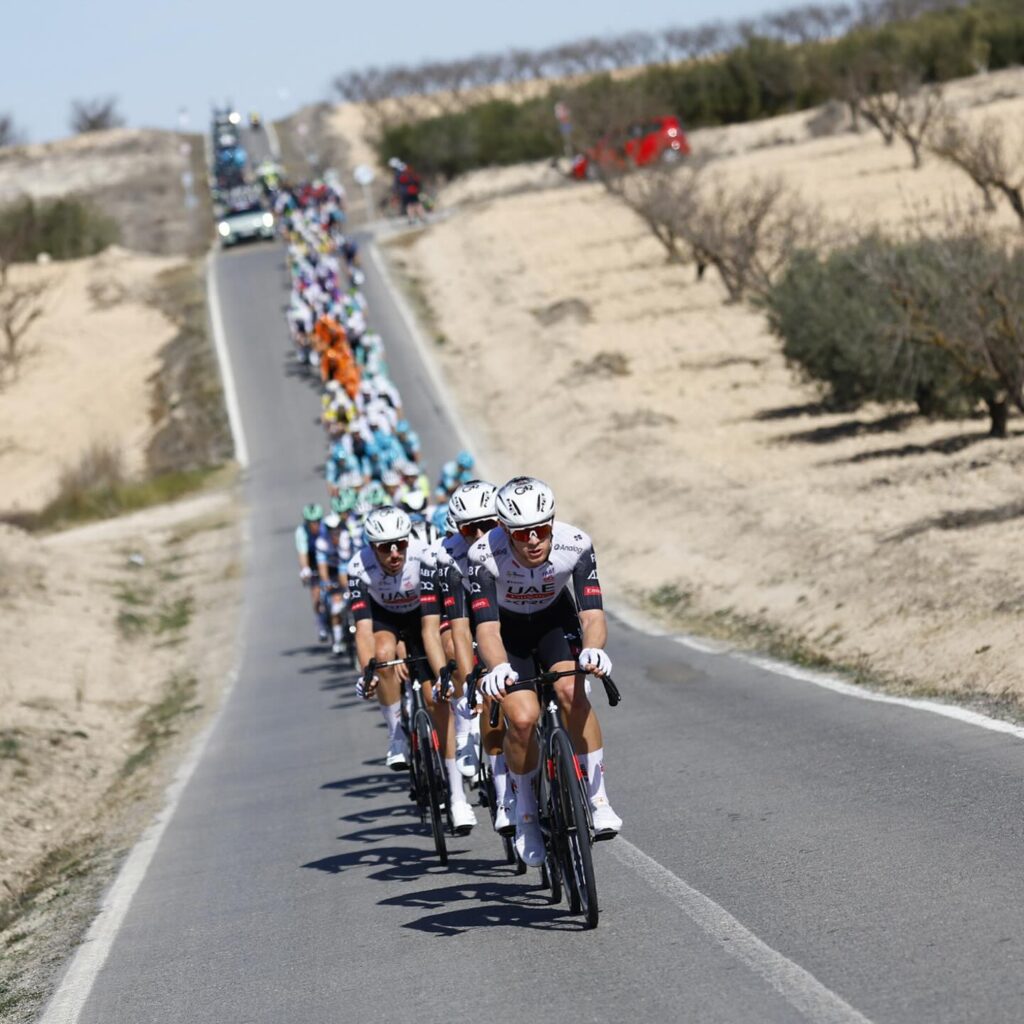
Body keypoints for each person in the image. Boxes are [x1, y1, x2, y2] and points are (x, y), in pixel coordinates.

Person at [468, 476, 621, 866]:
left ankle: (598, 798)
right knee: (521, 718)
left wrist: (593, 651)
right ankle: (527, 817)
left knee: (572, 692)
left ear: (552, 522)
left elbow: (591, 614)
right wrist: (498, 666)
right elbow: (485, 628)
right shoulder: (484, 555)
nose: (533, 540)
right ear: (504, 530)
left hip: (555, 621)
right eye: (522, 534)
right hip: (510, 632)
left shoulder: (576, 544)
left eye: (541, 529)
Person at [349, 506, 476, 834]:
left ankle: (457, 794)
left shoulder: (424, 556)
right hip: (386, 620)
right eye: (384, 547)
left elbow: (437, 619)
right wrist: (368, 673)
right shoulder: (359, 567)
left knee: (435, 700)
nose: (394, 553)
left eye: (400, 544)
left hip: (424, 617)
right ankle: (396, 736)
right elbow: (363, 630)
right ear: (371, 546)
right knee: (381, 656)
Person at [316, 513, 353, 657]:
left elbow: (344, 567)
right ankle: (338, 640)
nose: (335, 534)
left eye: (337, 531)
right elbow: (322, 566)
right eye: (332, 532)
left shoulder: (346, 538)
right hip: (331, 571)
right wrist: (325, 582)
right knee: (335, 604)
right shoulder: (322, 542)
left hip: (346, 568)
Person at [295, 503, 327, 641]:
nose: (314, 525)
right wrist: (305, 569)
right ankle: (320, 624)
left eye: (316, 522)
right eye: (310, 522)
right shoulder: (301, 532)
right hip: (312, 558)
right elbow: (303, 554)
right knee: (315, 591)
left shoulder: (327, 528)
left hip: (328, 558)